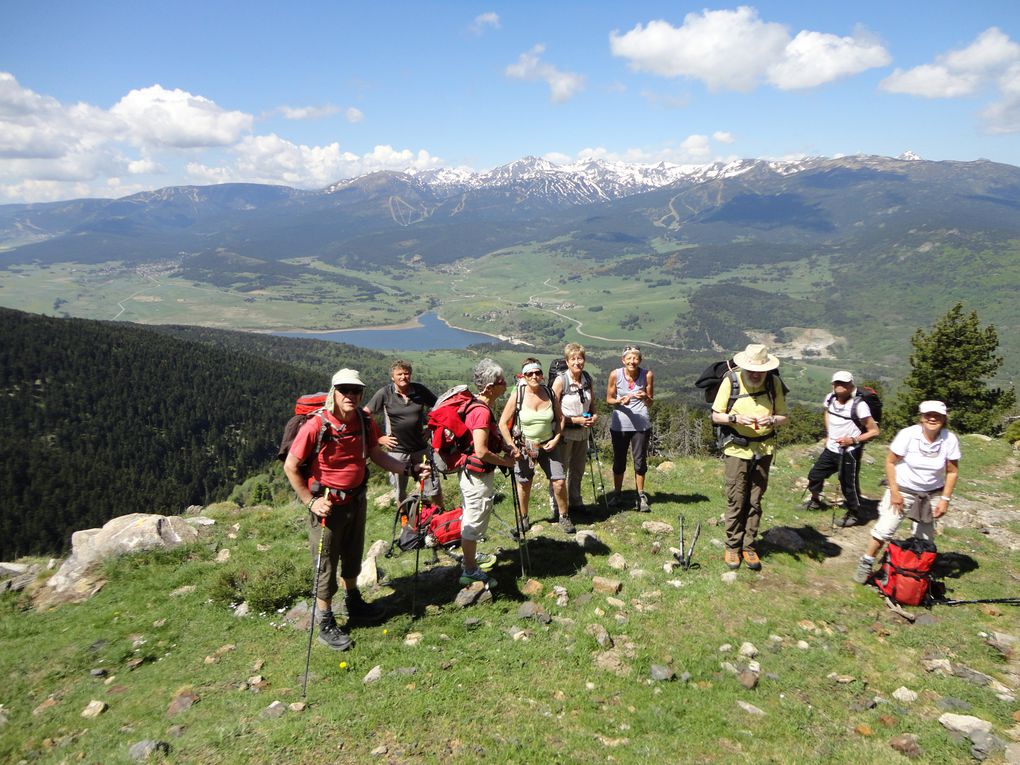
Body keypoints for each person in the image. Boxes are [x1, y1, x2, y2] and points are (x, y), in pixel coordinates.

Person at [284, 368, 431, 651]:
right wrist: (310, 501)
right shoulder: (317, 426)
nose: (350, 395)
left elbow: (376, 454)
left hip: (356, 499)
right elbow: (291, 466)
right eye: (344, 390)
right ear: (334, 392)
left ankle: (354, 601)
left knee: (353, 553)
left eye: (356, 391)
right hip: (327, 506)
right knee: (326, 562)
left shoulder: (363, 421)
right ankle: (325, 620)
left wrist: (409, 469)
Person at [853, 400, 960, 584]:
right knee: (884, 530)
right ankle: (866, 563)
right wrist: (895, 492)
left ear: (944, 418)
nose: (932, 419)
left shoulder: (949, 439)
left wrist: (945, 499)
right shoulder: (908, 435)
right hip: (903, 489)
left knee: (925, 539)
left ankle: (915, 572)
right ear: (921, 417)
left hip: (931, 493)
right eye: (928, 415)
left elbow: (952, 471)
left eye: (937, 416)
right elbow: (890, 462)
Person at [710, 344, 788, 571]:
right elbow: (716, 415)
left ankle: (749, 545)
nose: (755, 374)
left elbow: (784, 416)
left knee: (755, 499)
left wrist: (772, 420)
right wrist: (734, 419)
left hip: (764, 448)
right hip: (737, 448)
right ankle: (733, 546)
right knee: (736, 497)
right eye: (751, 370)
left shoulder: (774, 384)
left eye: (759, 371)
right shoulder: (731, 381)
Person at [459, 359, 517, 588]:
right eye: (502, 381)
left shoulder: (479, 407)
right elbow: (481, 450)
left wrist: (504, 447)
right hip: (477, 477)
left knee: (471, 517)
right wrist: (506, 462)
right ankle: (470, 570)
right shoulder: (481, 412)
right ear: (490, 387)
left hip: (472, 475)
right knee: (473, 522)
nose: (505, 385)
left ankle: (470, 559)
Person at [499, 359, 573, 534]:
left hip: (549, 444)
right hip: (525, 446)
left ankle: (564, 516)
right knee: (524, 484)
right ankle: (523, 518)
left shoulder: (549, 392)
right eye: (529, 373)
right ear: (523, 376)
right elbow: (503, 422)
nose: (534, 376)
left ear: (542, 374)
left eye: (537, 372)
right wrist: (512, 446)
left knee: (559, 482)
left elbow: (560, 418)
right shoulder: (519, 394)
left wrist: (556, 439)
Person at [804, 371, 880, 527]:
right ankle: (815, 501)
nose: (840, 386)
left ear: (851, 385)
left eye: (844, 383)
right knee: (815, 475)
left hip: (850, 452)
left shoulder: (860, 405)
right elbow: (827, 413)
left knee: (848, 484)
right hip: (831, 448)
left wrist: (852, 440)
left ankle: (853, 513)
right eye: (837, 383)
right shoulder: (830, 398)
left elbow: (874, 431)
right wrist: (828, 434)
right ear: (833, 384)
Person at [363, 360, 440, 505]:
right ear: (392, 377)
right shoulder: (385, 393)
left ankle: (441, 517)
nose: (403, 377)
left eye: (406, 373)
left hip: (421, 447)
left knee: (433, 486)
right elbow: (365, 415)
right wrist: (378, 438)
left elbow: (439, 407)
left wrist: (431, 428)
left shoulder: (419, 390)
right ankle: (405, 523)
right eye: (399, 374)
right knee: (400, 492)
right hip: (397, 451)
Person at [550, 343, 598, 519]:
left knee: (578, 469)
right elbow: (554, 411)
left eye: (580, 358)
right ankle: (557, 507)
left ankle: (576, 502)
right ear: (567, 361)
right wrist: (575, 420)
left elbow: (592, 403)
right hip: (565, 432)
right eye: (573, 359)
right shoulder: (561, 381)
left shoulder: (587, 378)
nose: (577, 362)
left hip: (583, 432)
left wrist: (594, 416)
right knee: (560, 471)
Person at [606, 346, 654, 512]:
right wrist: (620, 401)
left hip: (641, 425)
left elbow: (650, 402)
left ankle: (640, 495)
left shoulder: (647, 375)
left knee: (640, 461)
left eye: (635, 358)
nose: (632, 361)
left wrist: (645, 397)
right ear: (623, 360)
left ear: (639, 360)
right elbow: (609, 399)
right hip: (620, 425)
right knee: (619, 461)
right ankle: (617, 494)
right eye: (629, 358)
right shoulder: (615, 375)